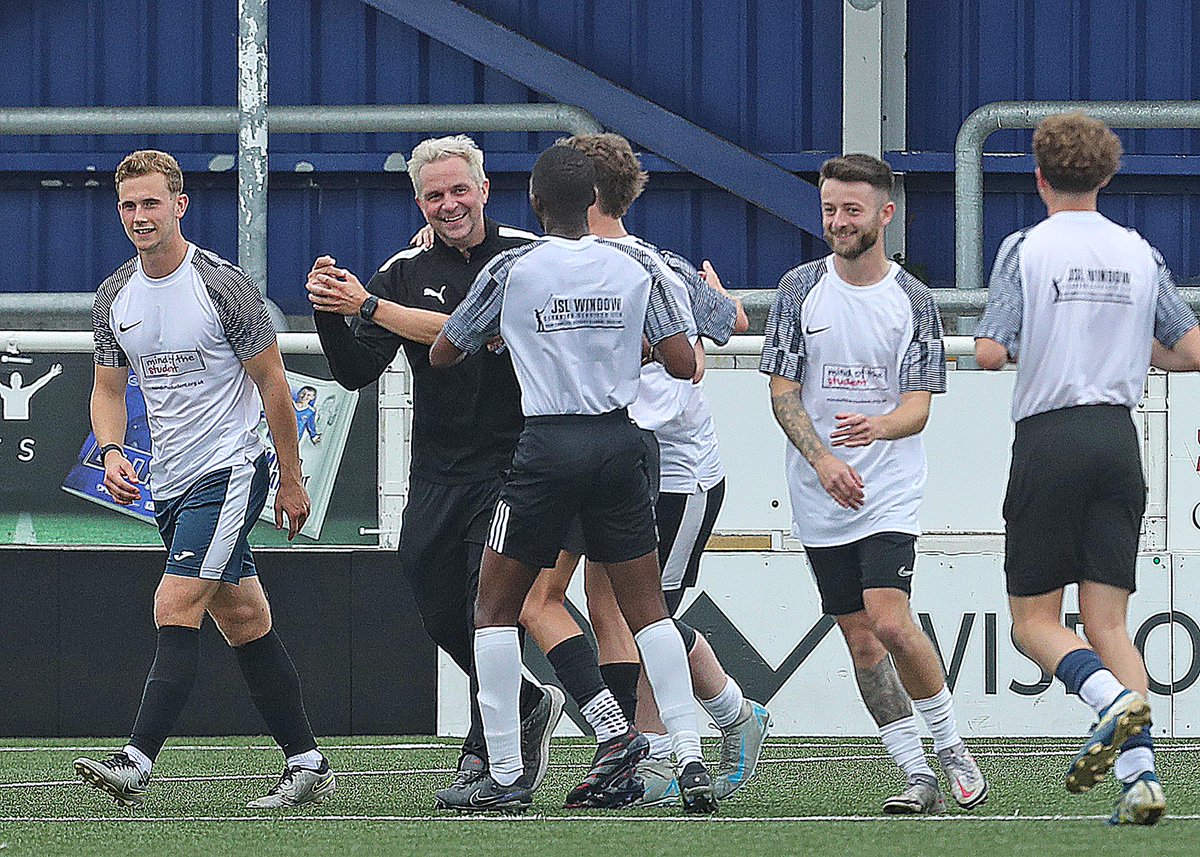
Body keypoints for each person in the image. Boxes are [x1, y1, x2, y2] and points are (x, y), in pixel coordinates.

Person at [429, 144, 716, 814]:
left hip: (547, 446)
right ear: (593, 201)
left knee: (495, 610)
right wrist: (624, 341)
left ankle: (504, 774)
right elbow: (682, 361)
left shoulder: (512, 268)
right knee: (648, 610)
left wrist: (515, 334)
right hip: (620, 442)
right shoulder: (637, 262)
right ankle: (688, 756)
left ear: (534, 204)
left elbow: (445, 352)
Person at [306, 135, 564, 803]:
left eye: (459, 189)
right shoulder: (400, 269)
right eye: (435, 194)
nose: (449, 203)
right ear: (419, 200)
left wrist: (366, 304)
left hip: (517, 461)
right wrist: (331, 311)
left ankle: (486, 755)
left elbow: (466, 331)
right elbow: (357, 371)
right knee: (437, 609)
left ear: (484, 189)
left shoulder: (526, 259)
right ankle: (528, 700)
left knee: (489, 605)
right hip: (438, 470)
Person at [74, 150, 335, 809]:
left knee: (174, 602)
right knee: (244, 616)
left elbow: (275, 385)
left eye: (151, 203)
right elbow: (107, 390)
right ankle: (308, 760)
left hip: (233, 467)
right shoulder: (115, 296)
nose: (139, 215)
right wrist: (110, 451)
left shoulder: (223, 284)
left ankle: (135, 760)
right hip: (172, 481)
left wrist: (292, 480)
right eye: (129, 205)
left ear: (179, 205)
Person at [517, 132, 770, 807]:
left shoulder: (648, 265)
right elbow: (732, 319)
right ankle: (648, 744)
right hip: (609, 461)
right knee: (608, 610)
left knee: (641, 613)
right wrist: (729, 309)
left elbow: (713, 332)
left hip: (676, 470)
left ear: (585, 195)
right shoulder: (622, 263)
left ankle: (717, 721)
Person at [975, 112, 1200, 826]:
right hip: (1117, 437)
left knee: (1032, 622)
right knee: (1109, 623)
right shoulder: (1138, 251)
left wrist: (1025, 344)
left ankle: (1110, 703)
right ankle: (1139, 779)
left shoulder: (1026, 247)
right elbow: (1190, 350)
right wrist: (1126, 349)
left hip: (1051, 436)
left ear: (1039, 176)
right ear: (1107, 177)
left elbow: (990, 349)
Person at [760, 153, 988, 815]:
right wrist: (824, 461)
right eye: (830, 208)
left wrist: (880, 429)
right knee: (859, 637)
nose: (838, 220)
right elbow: (782, 393)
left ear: (885, 214)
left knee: (890, 619)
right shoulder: (799, 288)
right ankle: (915, 773)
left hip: (887, 488)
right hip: (818, 491)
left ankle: (950, 746)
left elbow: (920, 404)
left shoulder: (912, 299)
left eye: (852, 209)